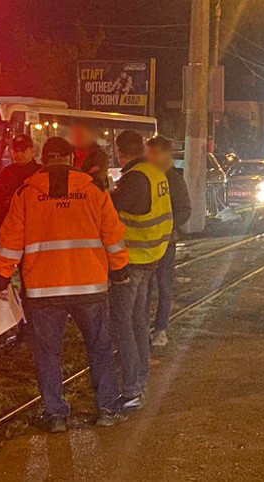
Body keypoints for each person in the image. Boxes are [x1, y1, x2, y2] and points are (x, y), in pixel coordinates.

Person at [0, 136, 128, 432]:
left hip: (43, 290)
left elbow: (10, 241)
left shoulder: (26, 193)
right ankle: (107, 410)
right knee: (100, 348)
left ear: (44, 158)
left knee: (48, 353)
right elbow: (113, 235)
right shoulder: (93, 189)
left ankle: (56, 415)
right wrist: (119, 270)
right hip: (89, 287)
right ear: (70, 159)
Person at [109, 130, 173, 411]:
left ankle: (131, 389)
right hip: (151, 259)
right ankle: (141, 378)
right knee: (138, 323)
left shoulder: (133, 179)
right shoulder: (155, 173)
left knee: (124, 326)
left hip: (132, 261)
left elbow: (110, 211)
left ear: (120, 151)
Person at [144, 136, 190, 346]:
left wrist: (166, 228)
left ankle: (161, 328)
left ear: (164, 154)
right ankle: (143, 326)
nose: (149, 158)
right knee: (144, 287)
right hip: (145, 243)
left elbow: (184, 210)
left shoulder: (174, 180)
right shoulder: (146, 176)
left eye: (153, 153)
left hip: (166, 244)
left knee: (164, 285)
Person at [0, 134, 41, 273]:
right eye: (15, 150)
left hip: (32, 229)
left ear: (32, 151)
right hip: (7, 230)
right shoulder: (6, 173)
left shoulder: (40, 173)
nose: (18, 154)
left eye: (22, 150)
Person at [69, 123, 111, 190]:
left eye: (81, 135)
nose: (77, 137)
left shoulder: (99, 155)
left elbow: (97, 178)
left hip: (91, 193)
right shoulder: (69, 153)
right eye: (76, 134)